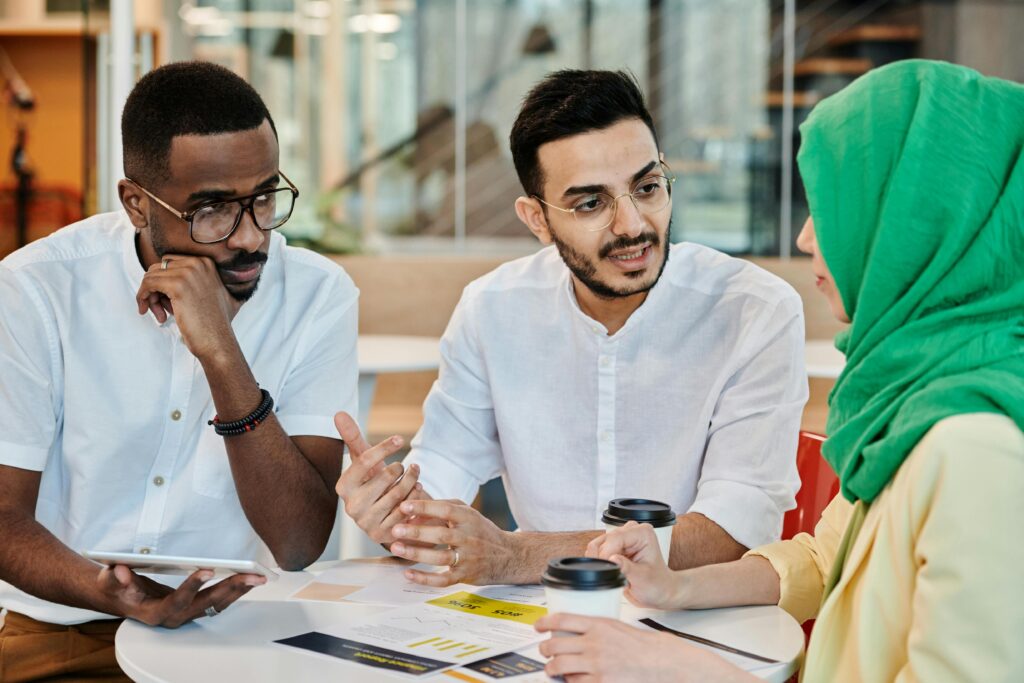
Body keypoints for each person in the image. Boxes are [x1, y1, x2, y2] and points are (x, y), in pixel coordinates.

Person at [534, 59, 1024, 682]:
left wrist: (675, 667)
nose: (804, 237)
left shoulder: (977, 447)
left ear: (918, 227)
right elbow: (823, 560)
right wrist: (671, 588)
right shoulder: (918, 390)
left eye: (834, 210)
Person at [335, 69, 808, 586]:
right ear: (536, 219)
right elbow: (442, 472)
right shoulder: (493, 308)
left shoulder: (754, 310)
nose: (632, 225)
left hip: (699, 623)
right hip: (531, 624)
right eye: (590, 203)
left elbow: (735, 530)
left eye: (647, 188)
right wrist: (398, 515)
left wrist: (519, 555)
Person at [0, 62, 358, 681]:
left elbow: (299, 543)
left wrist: (221, 352)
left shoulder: (318, 294)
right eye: (213, 209)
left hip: (238, 636)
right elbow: (4, 520)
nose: (250, 237)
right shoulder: (37, 291)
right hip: (64, 632)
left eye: (266, 197)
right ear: (137, 203)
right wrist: (110, 592)